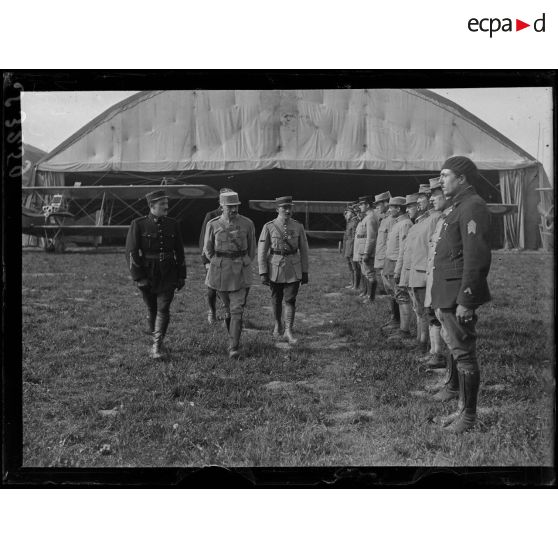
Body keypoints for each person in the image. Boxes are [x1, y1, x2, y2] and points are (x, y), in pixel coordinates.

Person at [430, 156, 492, 433]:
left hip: (458, 295)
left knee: (464, 353)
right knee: (456, 348)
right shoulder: (459, 207)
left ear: (462, 178)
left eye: (445, 175)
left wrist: (467, 299)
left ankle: (468, 417)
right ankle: (460, 410)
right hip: (448, 292)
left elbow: (476, 257)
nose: (440, 181)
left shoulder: (472, 207)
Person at [125, 190, 186, 360]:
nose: (166, 207)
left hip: (168, 272)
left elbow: (179, 251)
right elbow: (131, 252)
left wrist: (182, 275)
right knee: (152, 309)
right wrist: (138, 277)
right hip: (148, 273)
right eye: (162, 204)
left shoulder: (173, 224)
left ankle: (157, 346)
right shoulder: (138, 224)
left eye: (167, 204)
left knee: (163, 308)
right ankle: (156, 340)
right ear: (152, 206)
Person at [204, 190, 256, 358]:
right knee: (228, 309)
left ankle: (234, 347)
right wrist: (218, 262)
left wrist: (242, 261)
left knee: (236, 309)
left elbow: (252, 249)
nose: (234, 210)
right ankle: (233, 338)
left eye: (236, 206)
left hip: (240, 270)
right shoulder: (212, 225)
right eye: (230, 207)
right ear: (221, 207)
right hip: (220, 273)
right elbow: (208, 249)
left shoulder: (247, 224)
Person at [258, 196, 309, 344]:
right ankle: (277, 324)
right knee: (276, 298)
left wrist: (305, 271)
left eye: (290, 208)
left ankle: (288, 330)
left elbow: (304, 250)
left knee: (290, 299)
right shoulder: (269, 226)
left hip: (293, 267)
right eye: (284, 208)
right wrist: (263, 271)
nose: (288, 210)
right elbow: (262, 250)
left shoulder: (298, 226)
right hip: (274, 267)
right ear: (277, 209)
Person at [382, 196, 412, 338]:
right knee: (395, 295)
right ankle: (397, 323)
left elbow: (403, 249)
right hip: (390, 262)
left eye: (391, 207)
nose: (389, 210)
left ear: (398, 208)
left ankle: (404, 330)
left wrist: (398, 269)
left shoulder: (405, 223)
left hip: (396, 263)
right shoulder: (397, 222)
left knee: (402, 296)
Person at [199, 195, 226, 324]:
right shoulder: (211, 215)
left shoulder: (235, 216)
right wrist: (206, 261)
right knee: (212, 288)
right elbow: (204, 239)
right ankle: (212, 313)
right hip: (213, 258)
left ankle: (229, 314)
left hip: (229, 260)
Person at [356, 195, 380, 304]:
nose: (360, 206)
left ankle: (371, 297)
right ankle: (367, 294)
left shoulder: (370, 218)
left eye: (362, 204)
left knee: (370, 274)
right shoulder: (366, 217)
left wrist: (367, 252)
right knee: (365, 273)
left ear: (368, 205)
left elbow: (371, 237)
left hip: (366, 252)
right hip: (362, 251)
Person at [372, 191, 392, 296]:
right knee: (387, 287)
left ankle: (395, 312)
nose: (377, 207)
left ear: (386, 203)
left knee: (391, 289)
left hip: (387, 259)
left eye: (378, 204)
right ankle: (393, 311)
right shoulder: (384, 218)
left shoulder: (391, 219)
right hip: (382, 258)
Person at [341, 204, 359, 290]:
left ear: (352, 213)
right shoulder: (349, 222)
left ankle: (355, 285)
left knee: (355, 268)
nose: (345, 214)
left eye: (347, 212)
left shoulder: (355, 222)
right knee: (350, 267)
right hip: (347, 248)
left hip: (351, 248)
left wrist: (351, 250)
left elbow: (353, 238)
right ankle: (352, 283)